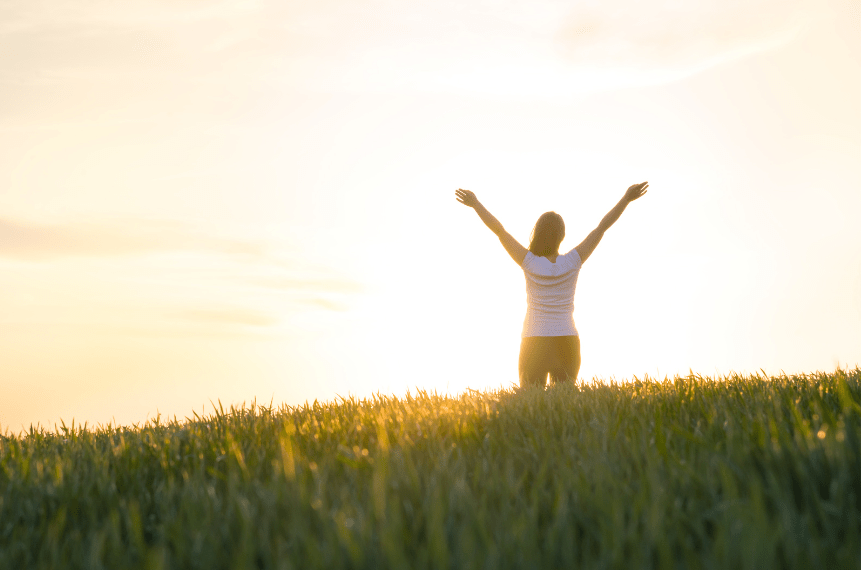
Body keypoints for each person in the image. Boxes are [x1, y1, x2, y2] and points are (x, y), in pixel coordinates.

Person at [454, 182, 649, 388]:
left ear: (537, 232)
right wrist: (626, 199)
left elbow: (499, 231)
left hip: (534, 341)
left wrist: (476, 204)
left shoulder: (529, 261)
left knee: (530, 404)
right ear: (562, 236)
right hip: (567, 341)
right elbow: (601, 228)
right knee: (563, 406)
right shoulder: (573, 261)